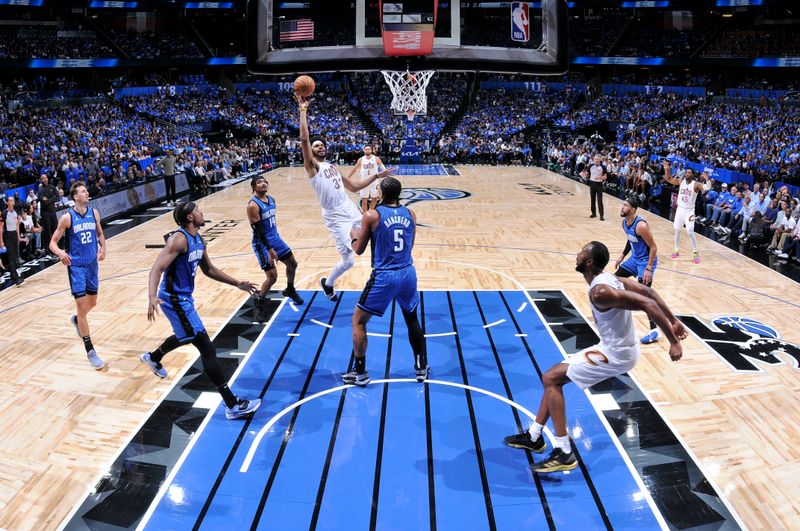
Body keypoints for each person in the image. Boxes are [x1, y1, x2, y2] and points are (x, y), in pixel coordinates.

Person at [503, 241, 685, 473]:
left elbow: (648, 303)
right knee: (554, 378)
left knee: (550, 378)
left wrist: (673, 341)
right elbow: (649, 291)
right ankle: (534, 435)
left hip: (616, 353)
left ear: (588, 262)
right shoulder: (610, 279)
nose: (576, 254)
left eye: (581, 252)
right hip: (614, 348)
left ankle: (564, 452)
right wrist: (674, 319)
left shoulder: (601, 291)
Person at [141, 201, 261, 420]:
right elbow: (157, 267)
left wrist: (237, 283)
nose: (201, 212)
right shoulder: (179, 239)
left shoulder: (199, 239)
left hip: (185, 298)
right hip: (174, 299)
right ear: (189, 217)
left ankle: (153, 356)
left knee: (186, 336)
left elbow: (209, 269)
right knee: (206, 347)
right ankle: (232, 405)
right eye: (197, 210)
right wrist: (151, 296)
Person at [296, 94, 395, 301]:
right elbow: (304, 139)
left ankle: (384, 272)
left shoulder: (331, 167)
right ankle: (328, 283)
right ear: (311, 153)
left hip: (348, 208)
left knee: (378, 229)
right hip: (335, 216)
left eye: (322, 145)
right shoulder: (312, 168)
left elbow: (355, 186)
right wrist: (303, 110)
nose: (320, 146)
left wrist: (377, 176)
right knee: (350, 259)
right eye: (316, 146)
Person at [344, 176, 428, 386]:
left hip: (384, 276)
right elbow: (410, 244)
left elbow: (359, 249)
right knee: (412, 319)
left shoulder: (372, 215)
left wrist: (353, 236)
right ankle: (421, 367)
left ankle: (360, 373)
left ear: (381, 193)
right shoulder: (411, 213)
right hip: (408, 272)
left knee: (359, 321)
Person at [49, 181, 107, 369]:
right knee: (82, 307)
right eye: (83, 191)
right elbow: (52, 243)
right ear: (75, 197)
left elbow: (100, 234)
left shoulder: (94, 213)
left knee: (92, 303)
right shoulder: (67, 218)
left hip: (92, 266)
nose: (87, 193)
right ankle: (90, 349)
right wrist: (60, 253)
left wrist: (103, 247)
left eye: (86, 191)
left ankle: (76, 320)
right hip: (77, 268)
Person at [247, 174, 303, 323]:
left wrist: (275, 242)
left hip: (275, 239)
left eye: (264, 181)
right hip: (262, 244)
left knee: (293, 264)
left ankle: (290, 289)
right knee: (272, 277)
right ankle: (259, 302)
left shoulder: (272, 200)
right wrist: (269, 249)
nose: (262, 184)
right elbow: (259, 230)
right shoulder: (253, 205)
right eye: (259, 182)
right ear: (254, 187)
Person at [613, 196, 660, 344]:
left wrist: (648, 268)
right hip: (634, 259)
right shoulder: (625, 223)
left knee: (646, 297)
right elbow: (630, 239)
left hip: (646, 261)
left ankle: (655, 330)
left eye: (625, 205)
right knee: (614, 280)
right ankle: (616, 316)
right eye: (622, 204)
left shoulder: (641, 226)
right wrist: (622, 256)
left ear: (633, 209)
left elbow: (653, 247)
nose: (622, 207)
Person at [663, 160, 708, 264]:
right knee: (677, 230)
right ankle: (676, 249)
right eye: (686, 172)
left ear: (692, 175)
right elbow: (669, 179)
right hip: (680, 209)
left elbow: (706, 188)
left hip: (689, 211)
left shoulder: (696, 184)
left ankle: (695, 252)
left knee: (690, 231)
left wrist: (707, 180)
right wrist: (666, 169)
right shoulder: (681, 182)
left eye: (689, 172)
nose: (687, 174)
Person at [347, 145, 385, 213]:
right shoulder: (361, 159)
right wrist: (348, 178)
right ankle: (365, 214)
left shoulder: (376, 158)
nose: (367, 150)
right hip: (364, 182)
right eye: (366, 149)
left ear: (371, 150)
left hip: (374, 181)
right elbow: (354, 169)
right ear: (364, 150)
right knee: (364, 199)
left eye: (369, 149)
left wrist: (388, 175)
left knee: (375, 198)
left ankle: (370, 211)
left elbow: (383, 169)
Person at [0, 196, 23, 287]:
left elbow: (17, 225)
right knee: (12, 258)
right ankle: (16, 279)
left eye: (12, 200)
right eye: (9, 201)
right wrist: (1, 241)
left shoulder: (15, 212)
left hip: (14, 235)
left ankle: (13, 276)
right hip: (8, 236)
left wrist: (18, 236)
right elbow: (1, 228)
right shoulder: (4, 213)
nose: (11, 202)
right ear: (7, 203)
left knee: (15, 257)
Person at [37, 174, 59, 255]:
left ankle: (57, 246)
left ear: (47, 178)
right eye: (43, 179)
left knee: (56, 229)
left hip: (53, 212)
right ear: (41, 180)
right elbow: (44, 202)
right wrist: (52, 199)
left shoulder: (52, 187)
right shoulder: (40, 190)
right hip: (45, 213)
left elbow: (57, 197)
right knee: (48, 232)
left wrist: (49, 200)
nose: (44, 180)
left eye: (45, 178)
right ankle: (50, 249)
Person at [581, 154, 607, 221]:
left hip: (599, 185)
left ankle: (601, 215)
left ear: (600, 160)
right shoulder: (591, 166)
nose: (596, 160)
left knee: (599, 200)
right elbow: (587, 173)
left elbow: (605, 177)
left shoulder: (603, 167)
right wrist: (584, 174)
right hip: (592, 183)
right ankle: (593, 213)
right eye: (595, 159)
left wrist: (600, 177)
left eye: (597, 159)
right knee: (592, 200)